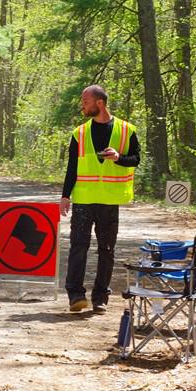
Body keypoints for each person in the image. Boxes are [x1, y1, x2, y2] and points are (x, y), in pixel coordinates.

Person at [60, 85, 140, 313]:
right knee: (78, 247)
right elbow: (72, 167)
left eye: (85, 102)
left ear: (99, 103)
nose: (82, 106)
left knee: (106, 250)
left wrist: (119, 158)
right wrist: (65, 196)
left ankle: (100, 297)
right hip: (84, 200)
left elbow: (135, 159)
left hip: (109, 201)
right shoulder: (80, 133)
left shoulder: (126, 130)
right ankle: (75, 295)